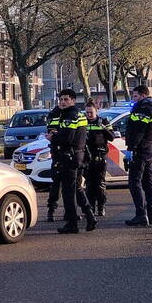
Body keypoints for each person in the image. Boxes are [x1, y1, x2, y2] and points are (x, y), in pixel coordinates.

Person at [48, 89, 97, 234]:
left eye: (66, 99)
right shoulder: (77, 114)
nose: (62, 102)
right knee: (77, 188)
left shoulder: (70, 116)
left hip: (70, 157)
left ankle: (72, 223)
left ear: (73, 100)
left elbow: (67, 138)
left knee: (68, 192)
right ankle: (90, 216)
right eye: (61, 99)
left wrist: (53, 137)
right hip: (77, 156)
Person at [124, 85, 152, 227]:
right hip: (150, 148)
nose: (133, 100)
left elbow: (138, 130)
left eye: (135, 96)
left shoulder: (143, 109)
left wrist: (131, 148)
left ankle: (141, 214)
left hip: (140, 150)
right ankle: (151, 215)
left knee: (134, 182)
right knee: (148, 181)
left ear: (143, 95)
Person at [84, 99, 114, 218]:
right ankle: (90, 208)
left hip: (100, 157)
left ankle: (101, 207)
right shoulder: (83, 122)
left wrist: (103, 128)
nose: (89, 115)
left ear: (96, 111)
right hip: (87, 158)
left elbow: (111, 137)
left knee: (100, 184)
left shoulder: (103, 121)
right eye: (87, 112)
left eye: (91, 112)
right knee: (89, 185)